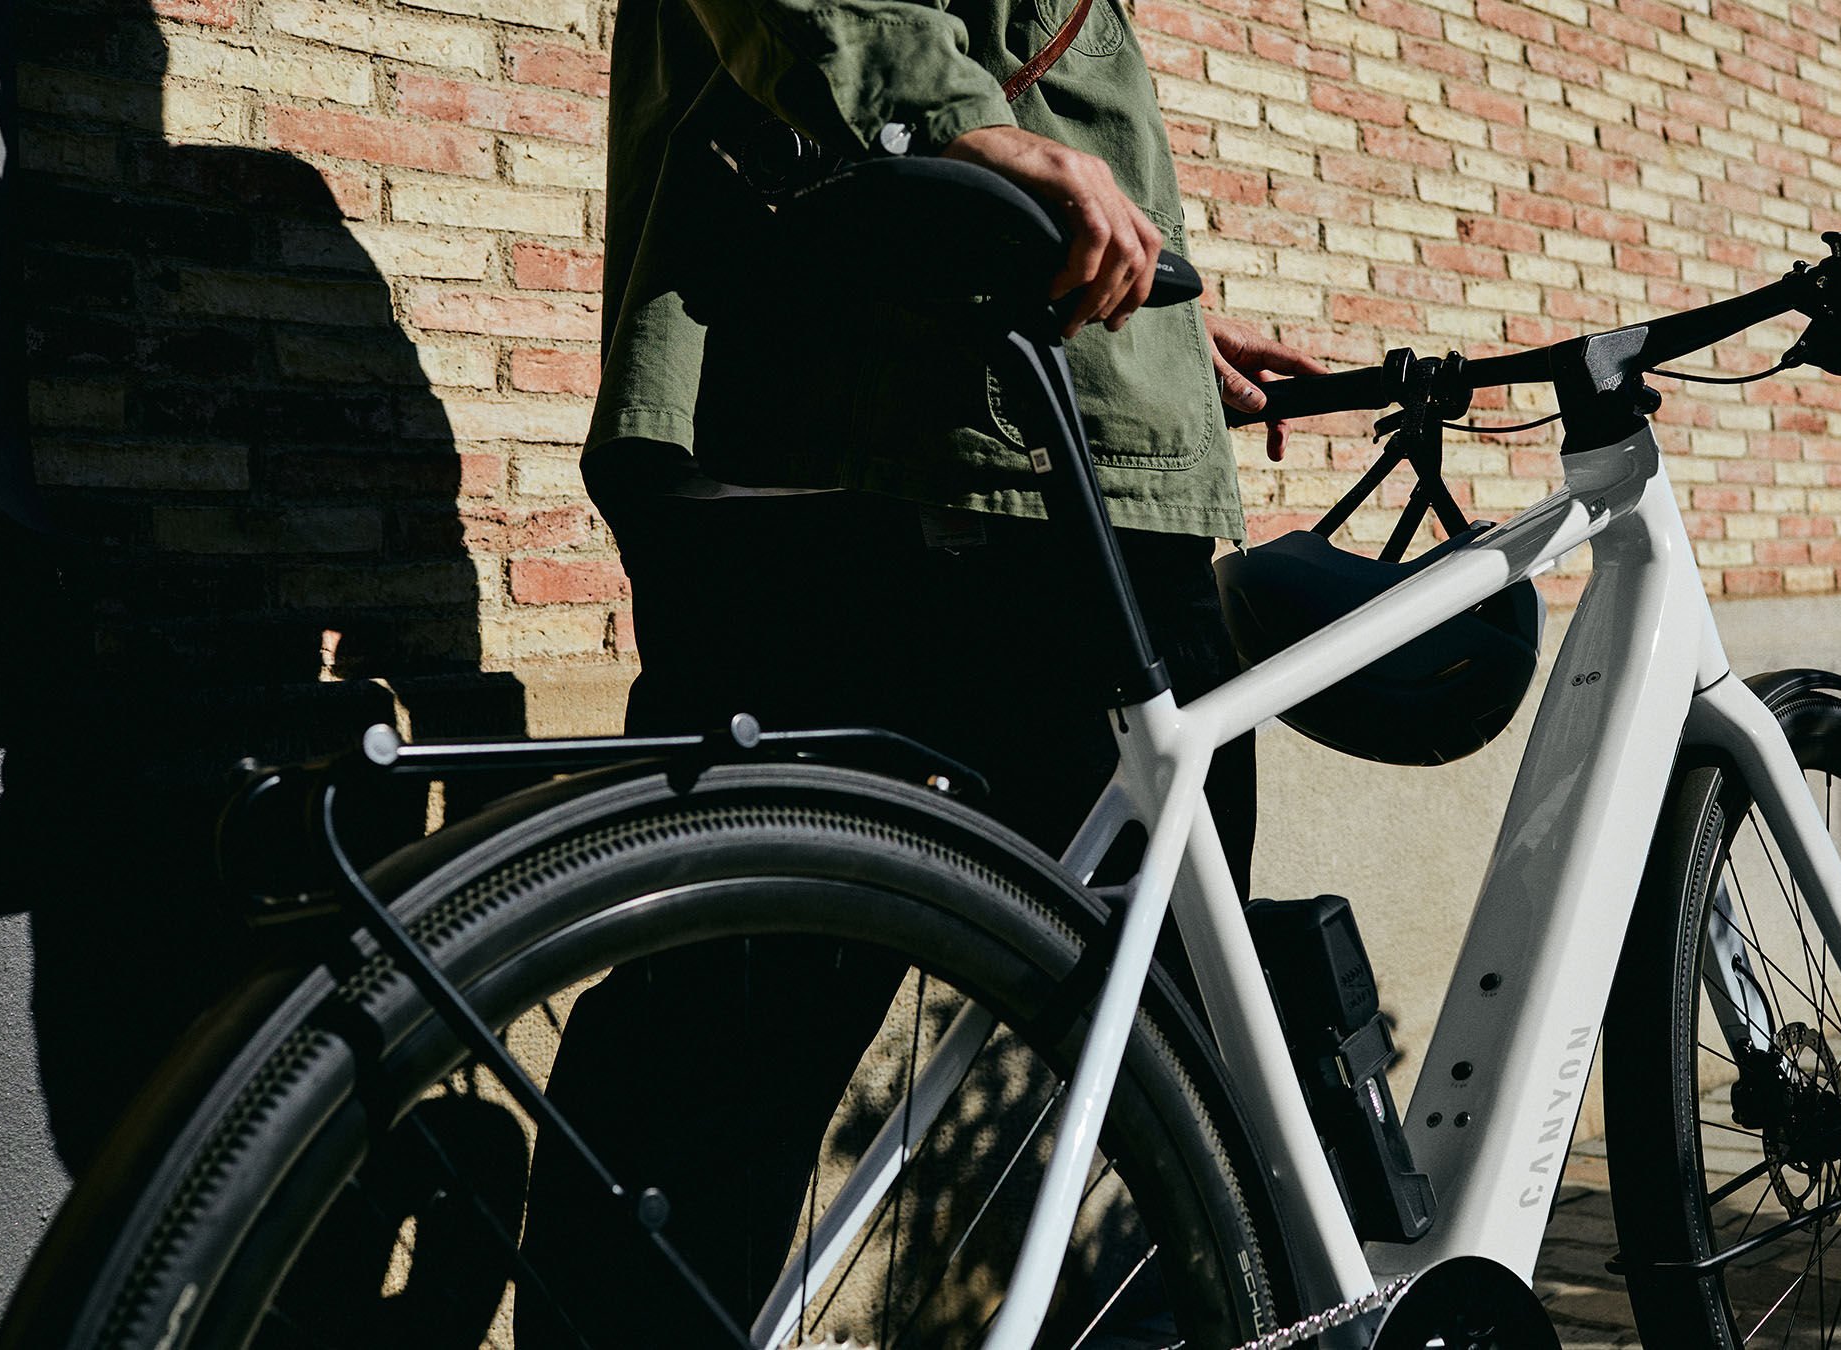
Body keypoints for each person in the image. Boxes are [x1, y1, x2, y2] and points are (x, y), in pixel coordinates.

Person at [517, 0, 1324, 1339]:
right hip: (907, 446)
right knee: (756, 1028)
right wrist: (965, 127)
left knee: (754, 1023)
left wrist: (1167, 331)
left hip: (973, 412)